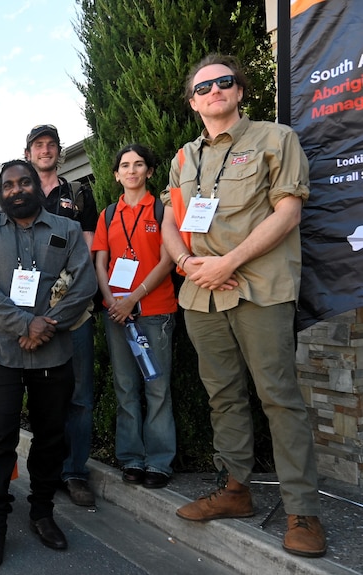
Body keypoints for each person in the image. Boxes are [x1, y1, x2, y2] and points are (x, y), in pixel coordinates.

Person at [162, 54, 326, 558]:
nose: (214, 90)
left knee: (279, 396)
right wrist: (188, 263)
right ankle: (235, 490)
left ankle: (303, 511)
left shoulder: (276, 140)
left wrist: (227, 261)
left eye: (224, 82)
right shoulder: (184, 158)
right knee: (223, 394)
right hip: (201, 293)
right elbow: (171, 219)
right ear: (193, 102)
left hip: (259, 286)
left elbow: (289, 212)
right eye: (203, 86)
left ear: (239, 89)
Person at [0, 160, 96, 568]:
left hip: (53, 352)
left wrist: (47, 326)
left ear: (35, 187)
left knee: (50, 438)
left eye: (25, 182)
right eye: (9, 185)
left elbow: (85, 283)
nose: (17, 189)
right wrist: (26, 324)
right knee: (0, 439)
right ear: (0, 192)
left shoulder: (68, 230)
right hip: (4, 353)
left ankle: (42, 513)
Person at [93, 144, 177, 489]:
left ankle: (158, 462)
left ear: (150, 172)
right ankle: (131, 458)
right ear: (116, 174)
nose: (131, 170)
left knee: (157, 388)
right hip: (117, 315)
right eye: (125, 165)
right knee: (125, 387)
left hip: (154, 311)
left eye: (139, 164)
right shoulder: (108, 214)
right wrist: (114, 300)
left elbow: (168, 260)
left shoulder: (161, 209)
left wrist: (135, 298)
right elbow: (100, 261)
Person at [25, 124, 100, 507]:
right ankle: (46, 470)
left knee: (80, 396)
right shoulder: (20, 194)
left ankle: (74, 471)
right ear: (28, 154)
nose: (45, 150)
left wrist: (61, 299)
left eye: (51, 145)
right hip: (31, 316)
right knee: (43, 397)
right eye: (38, 145)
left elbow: (87, 252)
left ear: (59, 152)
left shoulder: (78, 194)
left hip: (74, 312)